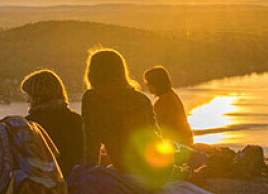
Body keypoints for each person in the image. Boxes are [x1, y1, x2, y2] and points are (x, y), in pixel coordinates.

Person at [80, 49, 167, 186]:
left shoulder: (92, 98)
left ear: (93, 72)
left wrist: (89, 177)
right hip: (157, 170)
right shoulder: (141, 98)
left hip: (129, 172)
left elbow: (92, 142)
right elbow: (156, 136)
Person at [20, 69, 83, 176]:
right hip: (76, 183)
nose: (27, 101)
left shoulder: (29, 125)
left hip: (44, 186)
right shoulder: (77, 120)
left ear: (36, 96)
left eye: (28, 96)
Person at [143, 66, 194, 148]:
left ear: (156, 83)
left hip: (177, 144)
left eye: (148, 83)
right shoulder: (172, 95)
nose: (147, 86)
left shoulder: (163, 101)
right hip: (185, 140)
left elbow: (158, 126)